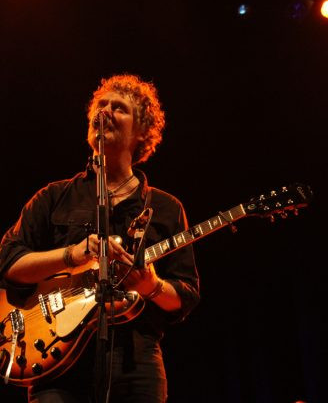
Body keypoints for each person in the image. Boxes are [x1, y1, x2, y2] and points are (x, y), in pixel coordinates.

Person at [0, 74, 200, 403]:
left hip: (136, 361)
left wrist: (150, 285)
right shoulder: (54, 196)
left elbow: (186, 295)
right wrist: (71, 255)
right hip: (57, 362)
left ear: (141, 132)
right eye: (100, 105)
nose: (104, 111)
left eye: (118, 108)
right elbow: (8, 264)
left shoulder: (165, 207)